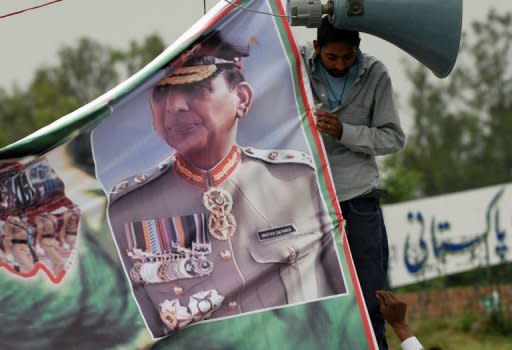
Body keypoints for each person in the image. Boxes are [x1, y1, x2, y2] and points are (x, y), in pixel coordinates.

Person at [108, 31, 345, 337]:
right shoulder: (129, 209)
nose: (175, 106)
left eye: (196, 88)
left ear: (242, 99)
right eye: (161, 94)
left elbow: (345, 298)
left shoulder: (297, 180)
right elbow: (141, 332)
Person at [301, 16, 405, 350]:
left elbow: (393, 138)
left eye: (347, 57)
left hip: (359, 199)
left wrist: (345, 132)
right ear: (317, 49)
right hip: (310, 200)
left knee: (371, 294)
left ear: (358, 49)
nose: (340, 64)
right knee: (316, 298)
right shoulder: (296, 62)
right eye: (332, 57)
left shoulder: (376, 74)